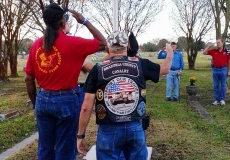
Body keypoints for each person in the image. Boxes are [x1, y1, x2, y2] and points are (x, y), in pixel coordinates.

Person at [24, 2, 106, 160]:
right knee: (65, 149)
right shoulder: (73, 43)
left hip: (42, 99)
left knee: (45, 148)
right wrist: (84, 21)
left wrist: (36, 103)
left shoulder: (36, 45)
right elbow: (103, 43)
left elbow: (28, 78)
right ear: (62, 22)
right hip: (66, 101)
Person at [76, 30, 173, 159]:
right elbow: (165, 69)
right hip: (135, 126)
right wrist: (170, 51)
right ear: (127, 47)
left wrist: (80, 136)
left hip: (108, 129)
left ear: (107, 48)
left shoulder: (97, 69)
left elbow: (86, 107)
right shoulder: (140, 64)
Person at [203, 38, 230, 105]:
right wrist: (209, 46)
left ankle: (222, 99)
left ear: (222, 43)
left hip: (223, 69)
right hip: (215, 69)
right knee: (216, 85)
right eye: (217, 43)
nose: (218, 44)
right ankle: (216, 99)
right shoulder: (214, 51)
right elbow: (204, 52)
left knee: (223, 85)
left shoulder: (227, 51)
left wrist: (229, 70)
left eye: (219, 42)